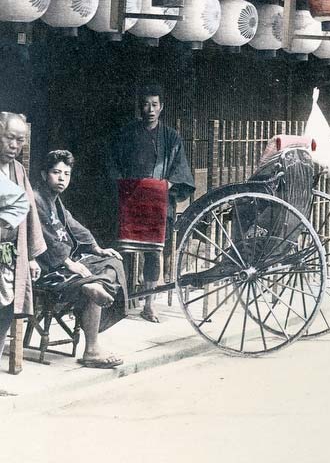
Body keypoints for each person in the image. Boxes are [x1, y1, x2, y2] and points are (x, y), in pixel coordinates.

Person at [107, 84, 194, 322]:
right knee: (124, 250)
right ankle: (121, 301)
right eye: (146, 104)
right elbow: (112, 162)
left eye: (155, 104)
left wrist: (167, 184)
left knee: (154, 254)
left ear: (162, 107)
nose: (150, 109)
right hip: (131, 200)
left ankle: (148, 304)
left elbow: (180, 170)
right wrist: (121, 182)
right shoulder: (126, 133)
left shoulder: (171, 138)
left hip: (157, 203)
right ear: (140, 107)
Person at [33, 150, 126, 368]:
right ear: (44, 173)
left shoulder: (55, 200)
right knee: (92, 281)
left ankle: (92, 287)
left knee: (112, 262)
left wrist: (97, 248)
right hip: (45, 268)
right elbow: (45, 240)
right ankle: (92, 349)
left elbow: (74, 226)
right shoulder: (37, 199)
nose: (62, 178)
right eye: (56, 172)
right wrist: (69, 263)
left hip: (63, 263)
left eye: (66, 173)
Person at [0, 112, 45, 361]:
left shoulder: (18, 170)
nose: (15, 146)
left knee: (6, 310)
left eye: (20, 140)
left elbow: (29, 214)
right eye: (9, 138)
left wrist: (30, 258)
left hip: (8, 254)